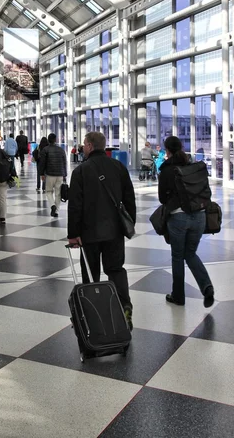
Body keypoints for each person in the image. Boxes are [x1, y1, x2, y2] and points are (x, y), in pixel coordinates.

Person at [67, 131, 136, 329]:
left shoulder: (81, 171)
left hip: (89, 233)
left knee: (90, 273)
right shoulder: (118, 167)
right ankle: (124, 307)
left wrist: (73, 235)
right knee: (116, 269)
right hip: (114, 231)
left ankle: (93, 312)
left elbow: (75, 206)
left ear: (89, 146)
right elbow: (129, 199)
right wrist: (128, 223)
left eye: (84, 144)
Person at [158, 136, 214, 308]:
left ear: (166, 150)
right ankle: (207, 287)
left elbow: (162, 199)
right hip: (199, 215)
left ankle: (178, 296)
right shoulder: (192, 165)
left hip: (178, 217)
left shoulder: (166, 170)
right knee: (190, 253)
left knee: (177, 257)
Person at [38, 133, 67, 217]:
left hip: (50, 174)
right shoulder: (61, 150)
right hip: (60, 174)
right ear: (56, 140)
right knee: (58, 193)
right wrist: (65, 174)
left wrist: (41, 173)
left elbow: (42, 163)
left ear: (48, 140)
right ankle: (56, 211)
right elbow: (64, 162)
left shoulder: (45, 150)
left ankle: (52, 206)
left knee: (49, 191)